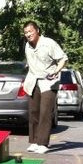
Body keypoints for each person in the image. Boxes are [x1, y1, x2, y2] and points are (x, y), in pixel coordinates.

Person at [22, 21, 68, 154]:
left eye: (30, 31)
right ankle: (35, 142)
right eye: (26, 33)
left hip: (49, 81)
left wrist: (56, 71)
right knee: (33, 112)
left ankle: (43, 143)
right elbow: (31, 62)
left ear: (37, 30)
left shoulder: (49, 43)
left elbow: (63, 59)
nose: (28, 34)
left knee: (45, 112)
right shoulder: (27, 46)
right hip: (33, 80)